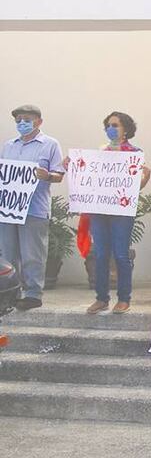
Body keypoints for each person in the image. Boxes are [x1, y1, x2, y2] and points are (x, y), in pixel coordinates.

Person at [83, 111, 151, 315]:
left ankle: (123, 299)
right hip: (100, 210)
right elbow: (90, 180)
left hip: (121, 211)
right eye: (108, 125)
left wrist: (145, 178)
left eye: (115, 125)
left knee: (121, 255)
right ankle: (101, 298)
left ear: (126, 129)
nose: (110, 129)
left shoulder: (134, 153)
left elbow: (133, 187)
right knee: (101, 254)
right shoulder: (99, 153)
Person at [0, 105, 64, 311]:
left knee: (32, 254)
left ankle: (33, 294)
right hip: (9, 208)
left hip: (34, 209)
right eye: (18, 120)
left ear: (39, 121)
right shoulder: (9, 145)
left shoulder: (50, 144)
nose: (22, 123)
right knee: (8, 254)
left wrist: (47, 176)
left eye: (26, 119)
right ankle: (11, 294)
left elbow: (59, 175)